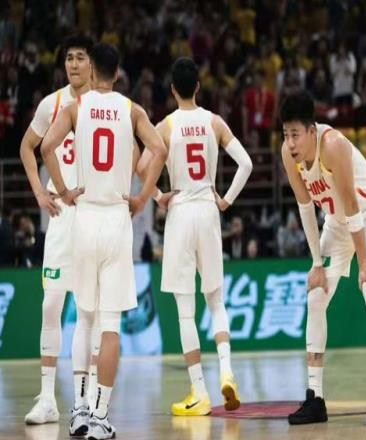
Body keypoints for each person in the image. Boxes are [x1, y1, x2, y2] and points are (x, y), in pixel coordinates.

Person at [41, 42, 167, 439]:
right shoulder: (132, 110)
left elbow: (45, 147)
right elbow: (160, 149)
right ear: (119, 73)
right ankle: (99, 417)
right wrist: (142, 198)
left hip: (84, 216)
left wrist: (64, 190)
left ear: (92, 71)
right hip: (116, 218)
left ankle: (78, 411)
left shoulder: (75, 107)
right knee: (110, 326)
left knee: (84, 320)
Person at [137, 57, 252, 416]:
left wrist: (158, 196)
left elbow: (141, 167)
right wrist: (226, 200)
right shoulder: (214, 122)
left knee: (186, 313)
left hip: (181, 212)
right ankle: (227, 371)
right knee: (216, 302)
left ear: (172, 90)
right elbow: (246, 163)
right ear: (198, 87)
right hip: (208, 210)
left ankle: (199, 392)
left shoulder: (165, 126)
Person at [280, 91, 366, 426]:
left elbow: (353, 205)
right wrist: (316, 264)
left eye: (295, 134)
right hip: (337, 221)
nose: (290, 142)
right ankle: (315, 398)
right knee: (315, 295)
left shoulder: (332, 146)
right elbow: (305, 209)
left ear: (311, 131)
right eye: (285, 134)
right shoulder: (288, 155)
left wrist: (365, 262)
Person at [20, 34, 101, 435]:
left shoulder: (104, 106)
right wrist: (39, 192)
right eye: (69, 58)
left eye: (80, 58)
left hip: (94, 213)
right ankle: (47, 397)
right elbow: (27, 147)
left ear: (92, 65)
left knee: (90, 311)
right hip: (61, 213)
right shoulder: (51, 104)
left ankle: (90, 400)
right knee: (52, 304)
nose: (73, 64)